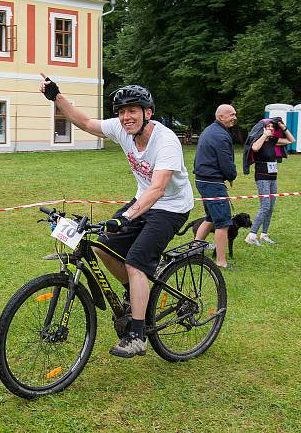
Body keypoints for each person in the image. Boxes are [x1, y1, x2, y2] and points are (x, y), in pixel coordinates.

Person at [39, 75, 193, 359]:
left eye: (132, 110)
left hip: (170, 206)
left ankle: (137, 335)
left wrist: (126, 217)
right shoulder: (123, 129)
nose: (125, 117)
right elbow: (85, 123)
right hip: (142, 199)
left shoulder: (166, 141)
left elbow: (158, 188)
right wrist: (56, 96)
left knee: (136, 263)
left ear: (148, 113)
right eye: (121, 112)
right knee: (100, 245)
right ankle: (134, 293)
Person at [192, 105, 238, 269]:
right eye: (231, 114)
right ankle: (221, 262)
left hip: (203, 180)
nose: (235, 117)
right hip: (212, 182)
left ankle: (194, 250)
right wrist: (231, 175)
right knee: (223, 222)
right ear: (220, 117)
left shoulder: (211, 130)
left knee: (211, 218)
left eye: (235, 114)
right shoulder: (220, 135)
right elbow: (226, 162)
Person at [242, 117, 295, 245]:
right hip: (262, 177)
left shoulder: (273, 141)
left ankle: (264, 234)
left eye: (272, 127)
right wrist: (264, 135)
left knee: (270, 207)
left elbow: (291, 140)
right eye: (268, 126)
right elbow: (254, 148)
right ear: (263, 128)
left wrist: (283, 127)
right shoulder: (258, 141)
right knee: (265, 206)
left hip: (273, 177)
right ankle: (251, 235)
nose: (271, 128)